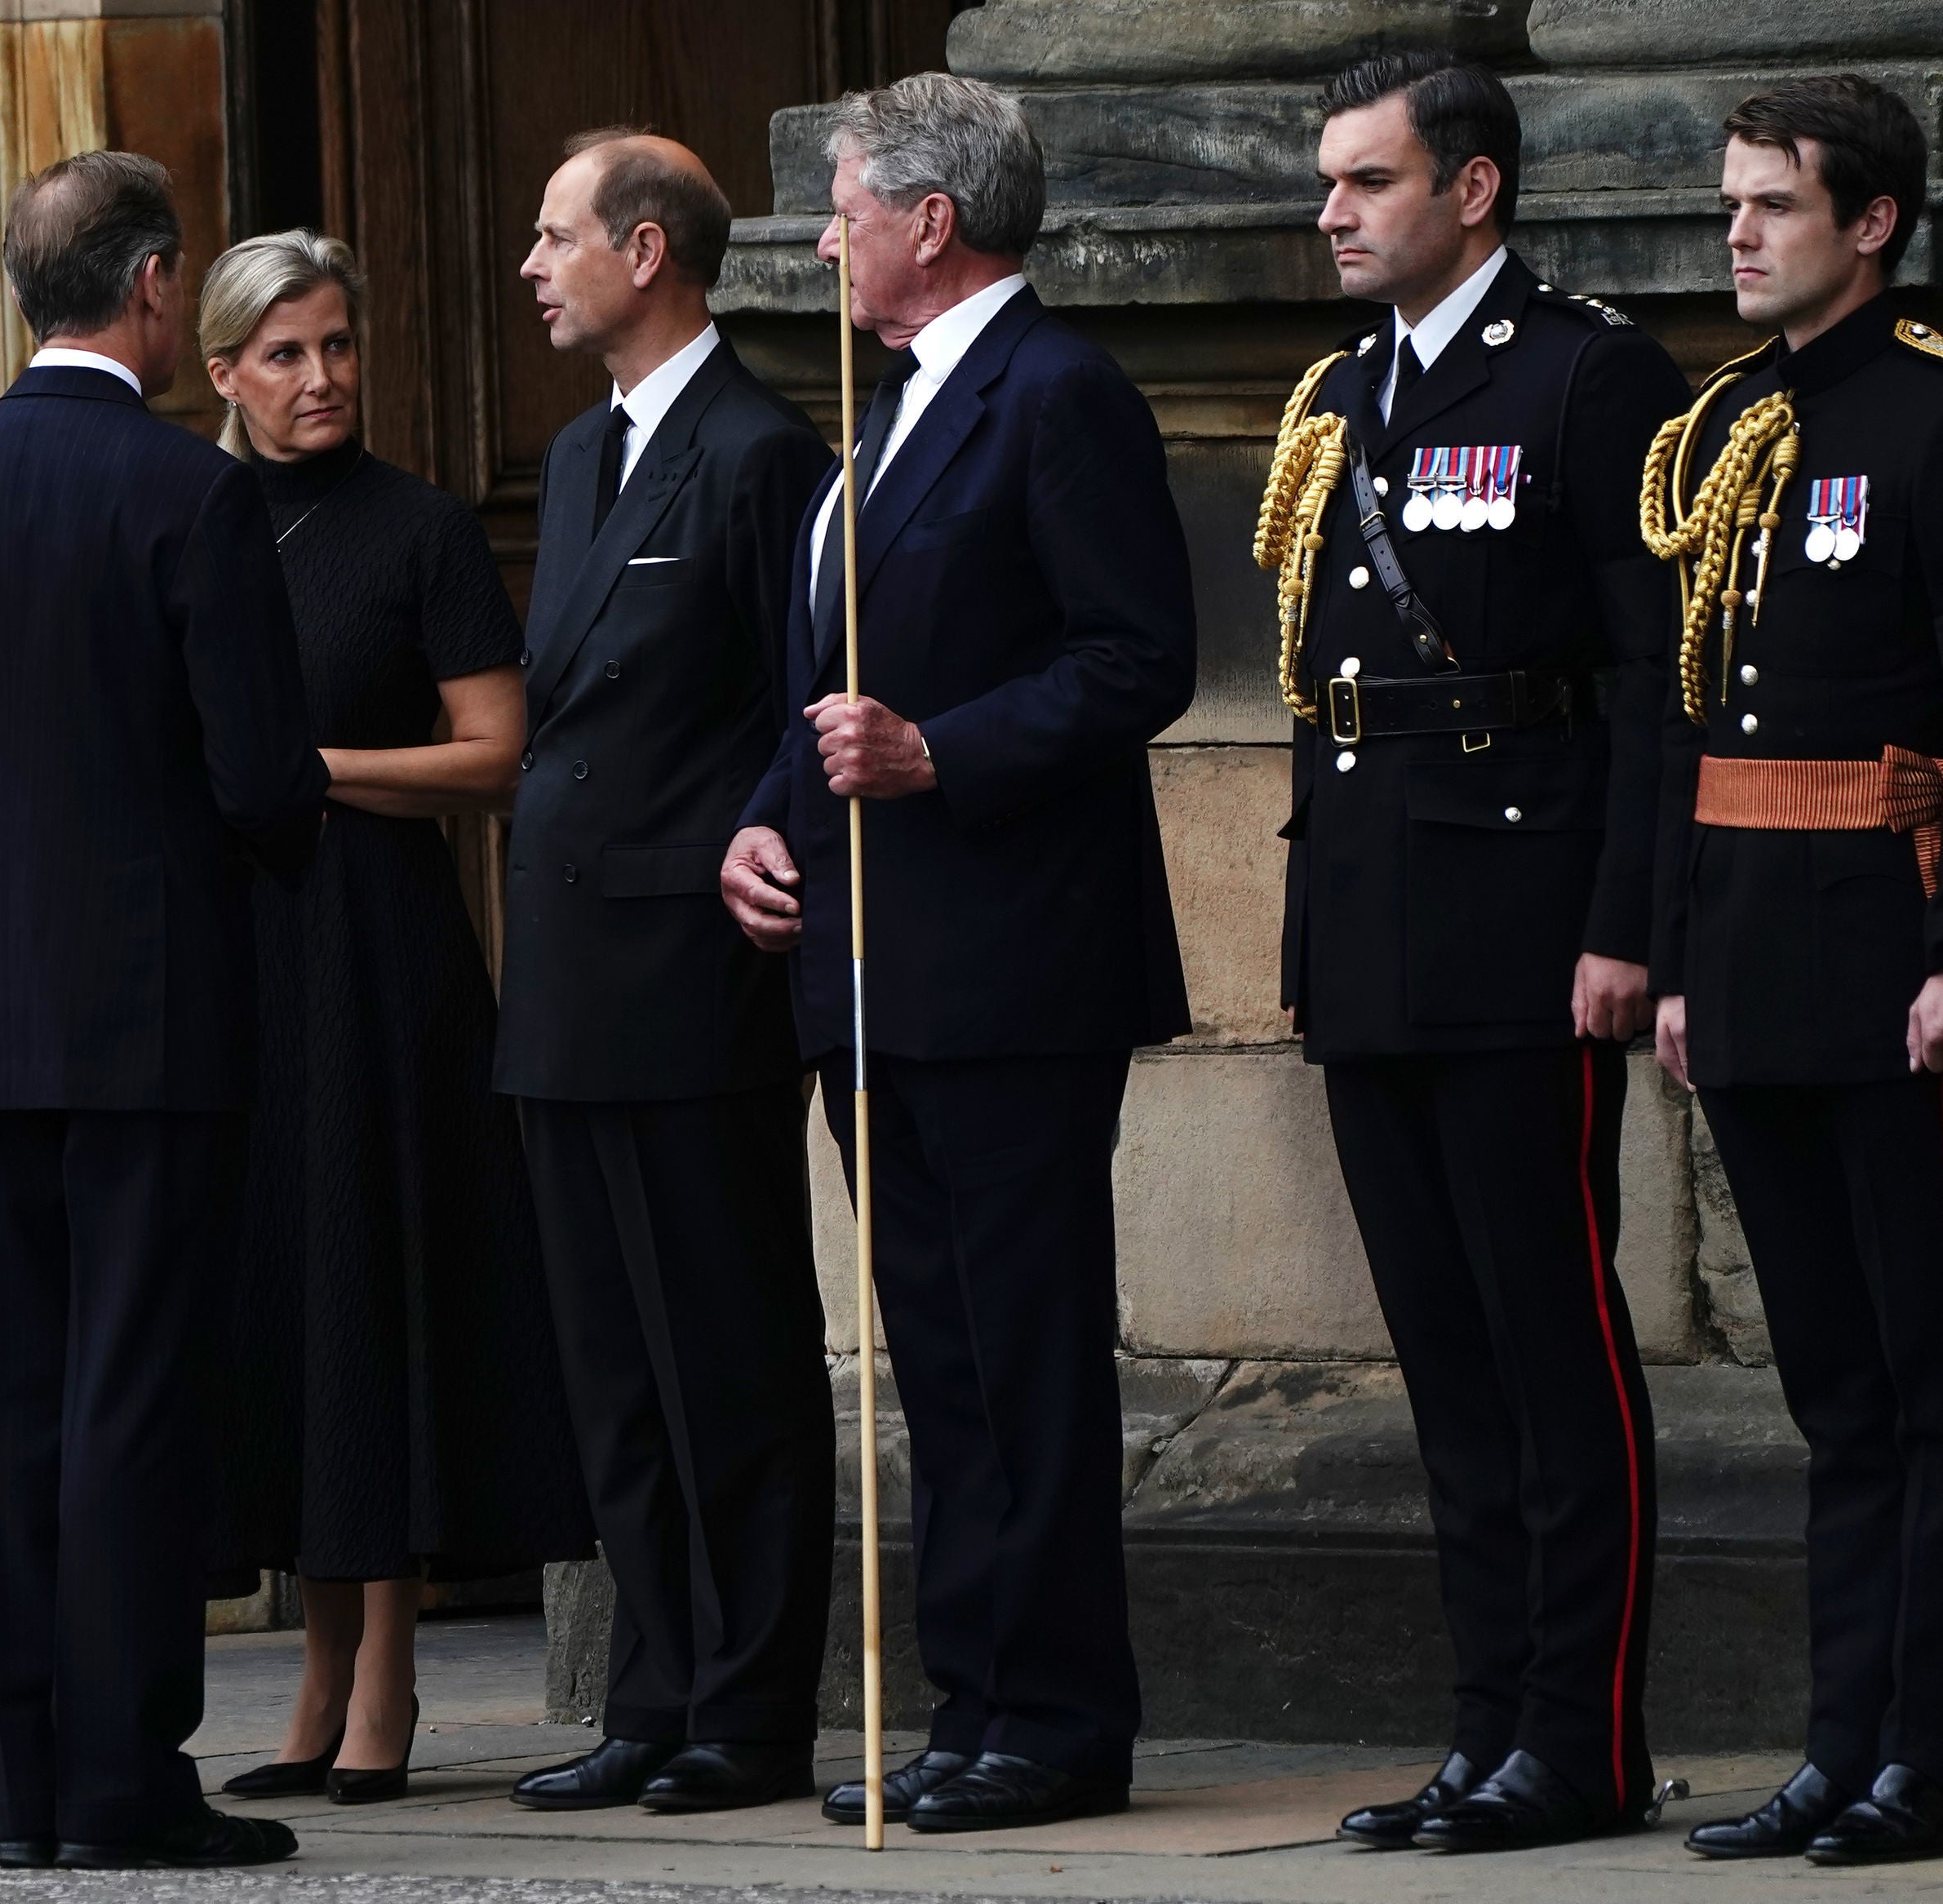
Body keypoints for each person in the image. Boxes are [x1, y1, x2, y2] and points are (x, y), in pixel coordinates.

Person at [721, 73, 1196, 1834]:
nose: (826, 238)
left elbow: (1134, 656)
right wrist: (764, 814)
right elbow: (824, 676)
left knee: (1024, 1350)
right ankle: (977, 1699)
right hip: (869, 964)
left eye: (844, 209)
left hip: (1009, 966)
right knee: (937, 1354)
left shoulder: (1053, 392)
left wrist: (944, 751)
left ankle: (1058, 1714)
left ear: (934, 220)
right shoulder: (882, 407)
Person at [0, 150, 329, 1871]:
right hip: (149, 1019)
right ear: (149, 291)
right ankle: (125, 1784)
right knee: (133, 1396)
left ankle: (27, 1785)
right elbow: (267, 780)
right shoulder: (186, 495)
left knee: (6, 1405)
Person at [1249, 53, 1693, 1854]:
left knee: (1549, 1342)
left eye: (1366, 182)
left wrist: (1624, 932)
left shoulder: (1588, 377)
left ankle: (1578, 1740)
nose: (1334, 213)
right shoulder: (1341, 393)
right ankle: (1484, 1722)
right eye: (1330, 183)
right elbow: (1318, 694)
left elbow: (1653, 687)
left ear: (1473, 191)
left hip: (1523, 933)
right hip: (1370, 927)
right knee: (1440, 1355)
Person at [193, 230, 594, 1806]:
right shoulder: (188, 519)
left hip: (379, 953)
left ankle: (391, 1681)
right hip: (240, 957)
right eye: (286, 353)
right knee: (285, 1299)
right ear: (222, 369)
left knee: (376, 1290)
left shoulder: (420, 527)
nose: (321, 379)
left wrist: (311, 777)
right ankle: (312, 1668)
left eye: (340, 346)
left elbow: (499, 758)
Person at [496, 130, 836, 1815]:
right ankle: (647, 1692)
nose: (532, 265)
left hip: (687, 966)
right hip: (564, 963)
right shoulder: (575, 460)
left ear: (647, 250)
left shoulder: (762, 452)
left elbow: (792, 699)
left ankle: (748, 1706)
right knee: (612, 1367)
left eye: (556, 238)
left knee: (725, 1353)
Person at [1651, 76, 1943, 1869]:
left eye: (1775, 205)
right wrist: (1684, 960)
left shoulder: (1922, 417)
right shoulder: (1728, 429)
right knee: (1831, 1396)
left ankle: (1922, 1746)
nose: (1740, 231)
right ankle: (1839, 1747)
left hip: (1890, 963)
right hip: (1757, 957)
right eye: (1735, 203)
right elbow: (1688, 721)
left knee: (1925, 1389)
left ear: (1872, 226)